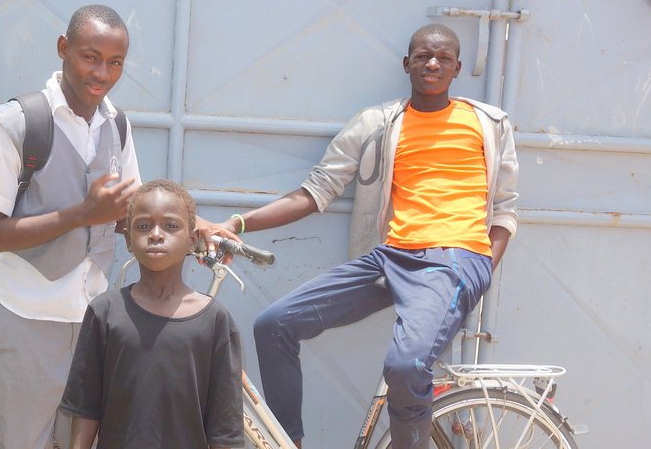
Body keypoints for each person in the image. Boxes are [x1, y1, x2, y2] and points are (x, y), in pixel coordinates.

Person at [210, 24, 519, 448]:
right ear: (406, 63)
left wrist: (482, 266)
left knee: (406, 367)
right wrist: (239, 224)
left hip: (454, 258)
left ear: (458, 67)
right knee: (274, 324)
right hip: (390, 258)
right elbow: (316, 191)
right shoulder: (377, 123)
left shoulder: (489, 124)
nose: (432, 64)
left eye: (443, 58)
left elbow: (505, 210)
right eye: (423, 56)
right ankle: (288, 442)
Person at [0, 4, 140, 448]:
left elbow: (127, 211)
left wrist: (194, 227)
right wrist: (82, 214)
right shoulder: (18, 124)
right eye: (90, 57)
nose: (102, 73)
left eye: (115, 62)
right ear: (63, 48)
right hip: (26, 317)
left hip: (92, 320)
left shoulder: (116, 124)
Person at [59, 179, 244, 449]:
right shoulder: (105, 312)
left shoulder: (214, 321)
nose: (156, 234)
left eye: (171, 226)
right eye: (143, 226)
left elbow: (223, 429)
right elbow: (86, 408)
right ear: (128, 239)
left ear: (192, 240)